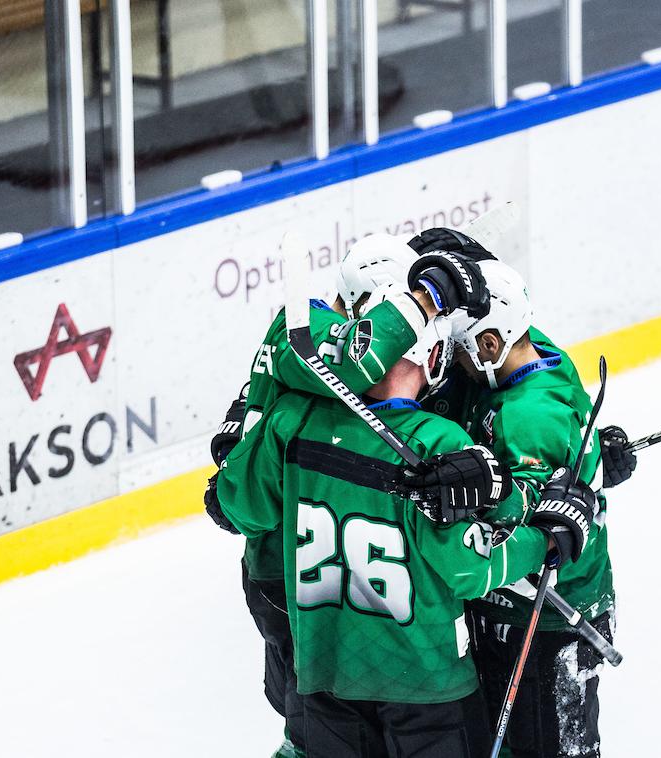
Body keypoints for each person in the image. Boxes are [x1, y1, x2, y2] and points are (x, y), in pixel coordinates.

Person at [216, 317, 597, 757]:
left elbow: (239, 506)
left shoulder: (294, 418)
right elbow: (469, 570)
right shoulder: (438, 440)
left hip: (323, 674)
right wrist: (547, 540)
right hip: (427, 684)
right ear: (433, 356)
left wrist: (244, 434)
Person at [203, 233, 498, 756]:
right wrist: (428, 295)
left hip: (303, 556)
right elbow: (358, 362)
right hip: (287, 565)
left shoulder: (306, 381)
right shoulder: (309, 336)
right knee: (310, 719)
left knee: (322, 714)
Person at [396, 257, 616, 758]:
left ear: (490, 344)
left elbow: (535, 524)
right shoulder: (544, 358)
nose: (454, 364)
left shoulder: (526, 416)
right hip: (532, 614)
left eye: (460, 352)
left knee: (549, 746)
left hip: (547, 619)